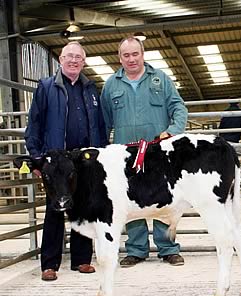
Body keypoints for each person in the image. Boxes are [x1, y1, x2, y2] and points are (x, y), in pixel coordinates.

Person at [101, 37, 188, 267]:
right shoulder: (111, 85)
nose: (131, 59)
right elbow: (103, 120)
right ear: (119, 58)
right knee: (130, 199)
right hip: (125, 155)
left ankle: (168, 248)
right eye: (126, 55)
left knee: (163, 199)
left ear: (143, 54)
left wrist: (173, 131)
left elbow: (178, 107)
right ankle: (136, 249)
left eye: (135, 54)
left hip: (158, 152)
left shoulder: (160, 79)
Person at [24, 41, 108, 281]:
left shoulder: (91, 89)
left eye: (78, 57)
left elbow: (100, 126)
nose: (73, 61)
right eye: (69, 56)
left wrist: (99, 155)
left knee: (82, 207)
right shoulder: (47, 87)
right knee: (54, 210)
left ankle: (82, 260)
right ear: (60, 60)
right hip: (56, 160)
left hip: (82, 160)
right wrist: (37, 158)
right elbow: (35, 124)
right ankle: (49, 264)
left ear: (83, 61)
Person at [219, 99, 241, 181]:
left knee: (225, 161)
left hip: (223, 142)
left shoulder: (224, 113)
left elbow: (220, 128)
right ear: (238, 103)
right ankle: (240, 178)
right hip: (233, 143)